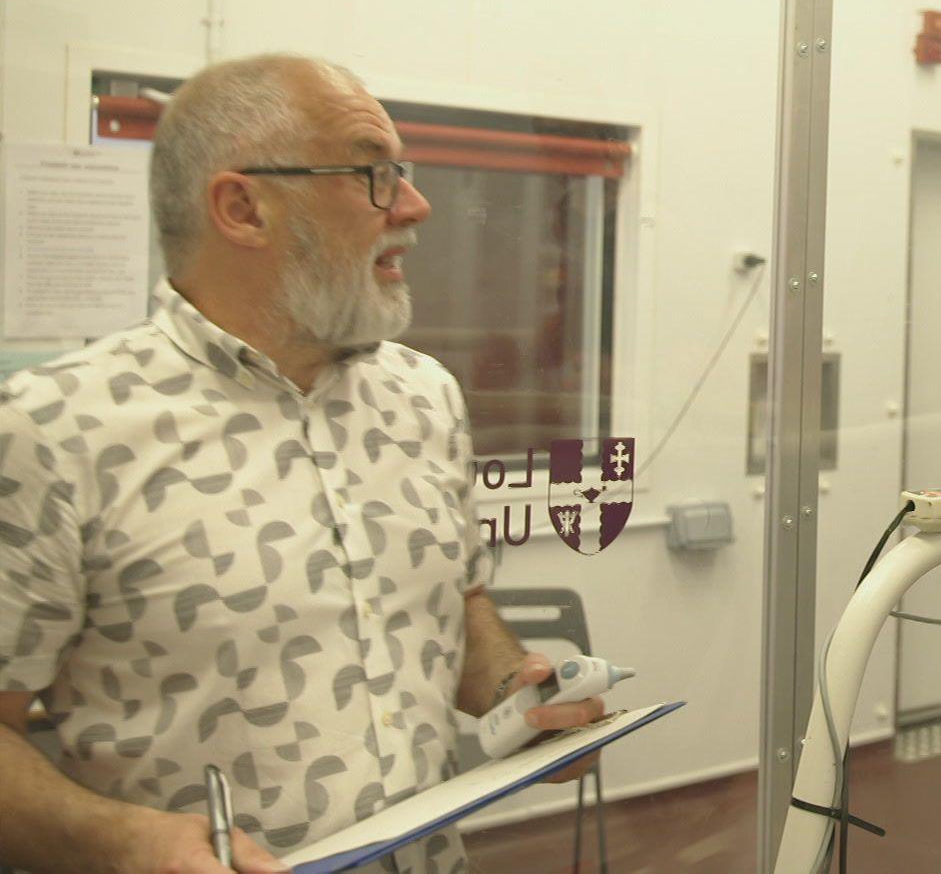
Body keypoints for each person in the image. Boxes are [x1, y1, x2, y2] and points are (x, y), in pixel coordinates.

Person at [0, 54, 605, 874]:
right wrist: (119, 842)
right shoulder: (56, 429)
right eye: (375, 175)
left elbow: (453, 606)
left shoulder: (423, 397)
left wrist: (517, 694)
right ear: (244, 208)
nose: (417, 206)